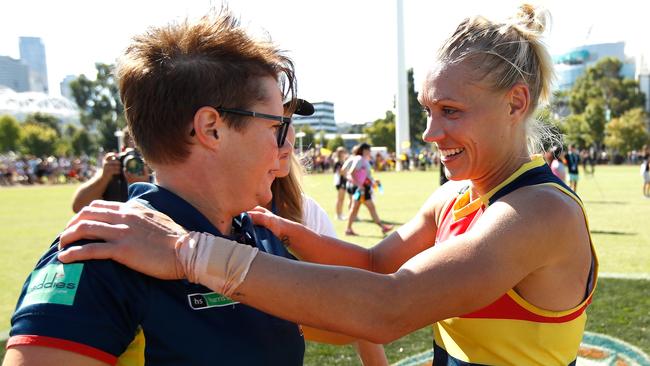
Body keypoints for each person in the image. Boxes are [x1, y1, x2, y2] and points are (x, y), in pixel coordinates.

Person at [56, 4, 598, 365]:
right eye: (427, 110)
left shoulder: (540, 212)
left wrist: (189, 251)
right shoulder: (455, 197)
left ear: (517, 102)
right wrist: (279, 233)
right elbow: (371, 267)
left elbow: (387, 308)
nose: (431, 132)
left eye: (451, 111)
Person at [5, 10, 306, 365]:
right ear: (211, 128)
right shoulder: (101, 255)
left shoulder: (257, 233)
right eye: (277, 127)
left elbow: (368, 314)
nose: (288, 148)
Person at [258, 100, 388, 365]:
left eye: (287, 123)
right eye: (272, 125)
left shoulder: (304, 211)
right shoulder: (184, 217)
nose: (286, 142)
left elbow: (355, 306)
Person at [71, 128, 150, 213]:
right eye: (131, 153)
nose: (135, 160)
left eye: (139, 152)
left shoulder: (157, 172)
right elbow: (78, 207)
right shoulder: (114, 170)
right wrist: (104, 178)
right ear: (123, 150)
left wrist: (144, 185)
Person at [344, 142, 393, 236]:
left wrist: (373, 181)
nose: (370, 152)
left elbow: (363, 175)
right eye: (369, 150)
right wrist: (359, 185)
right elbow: (352, 172)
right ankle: (383, 227)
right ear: (364, 150)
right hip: (362, 190)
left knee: (355, 209)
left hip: (363, 189)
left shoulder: (363, 159)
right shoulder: (359, 159)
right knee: (370, 208)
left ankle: (348, 229)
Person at [332, 146, 349, 220]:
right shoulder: (338, 162)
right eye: (342, 152)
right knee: (340, 199)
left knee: (342, 199)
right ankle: (338, 215)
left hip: (344, 181)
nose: (344, 154)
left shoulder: (343, 162)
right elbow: (340, 172)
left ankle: (340, 214)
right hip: (340, 182)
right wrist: (346, 171)